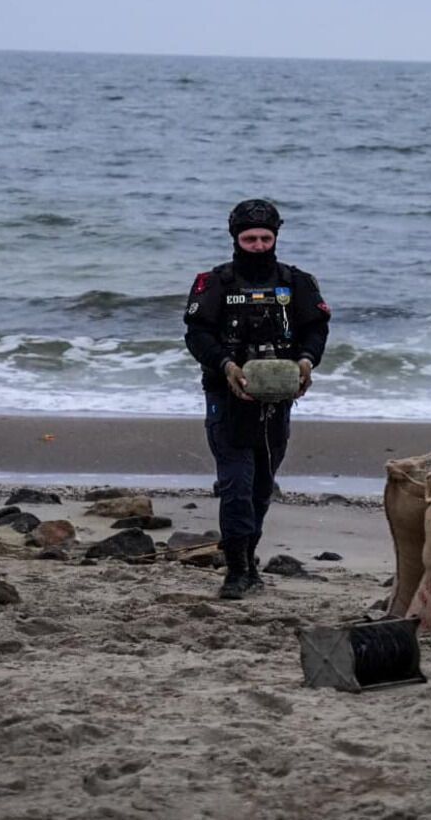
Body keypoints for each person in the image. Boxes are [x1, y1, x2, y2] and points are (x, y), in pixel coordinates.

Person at [183, 198, 331, 601]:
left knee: (262, 486)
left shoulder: (296, 282)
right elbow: (196, 334)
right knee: (236, 483)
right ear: (236, 238)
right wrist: (227, 366)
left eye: (266, 238)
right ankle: (235, 571)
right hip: (226, 396)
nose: (259, 245)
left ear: (276, 237)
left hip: (276, 399)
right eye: (250, 238)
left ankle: (249, 560)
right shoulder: (214, 283)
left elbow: (317, 328)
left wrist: (306, 360)